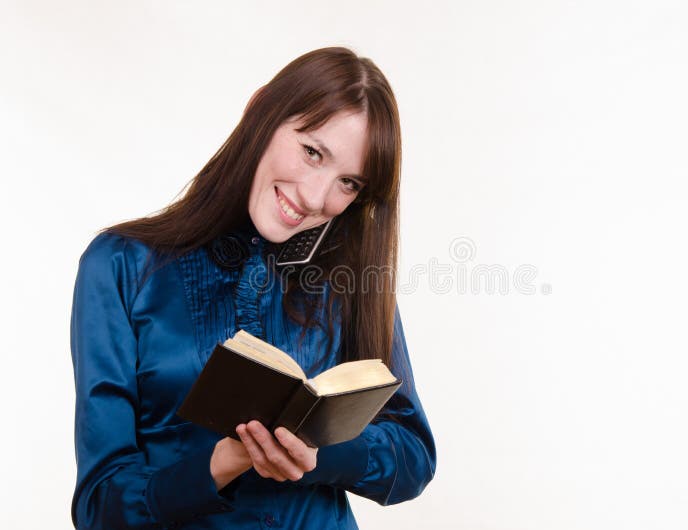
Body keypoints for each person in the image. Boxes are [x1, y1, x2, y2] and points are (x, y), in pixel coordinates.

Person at [70, 47, 436, 529]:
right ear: (259, 109)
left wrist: (317, 452)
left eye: (347, 183)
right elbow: (100, 506)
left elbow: (413, 456)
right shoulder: (121, 265)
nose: (314, 197)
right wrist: (220, 464)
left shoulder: (347, 278)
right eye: (311, 152)